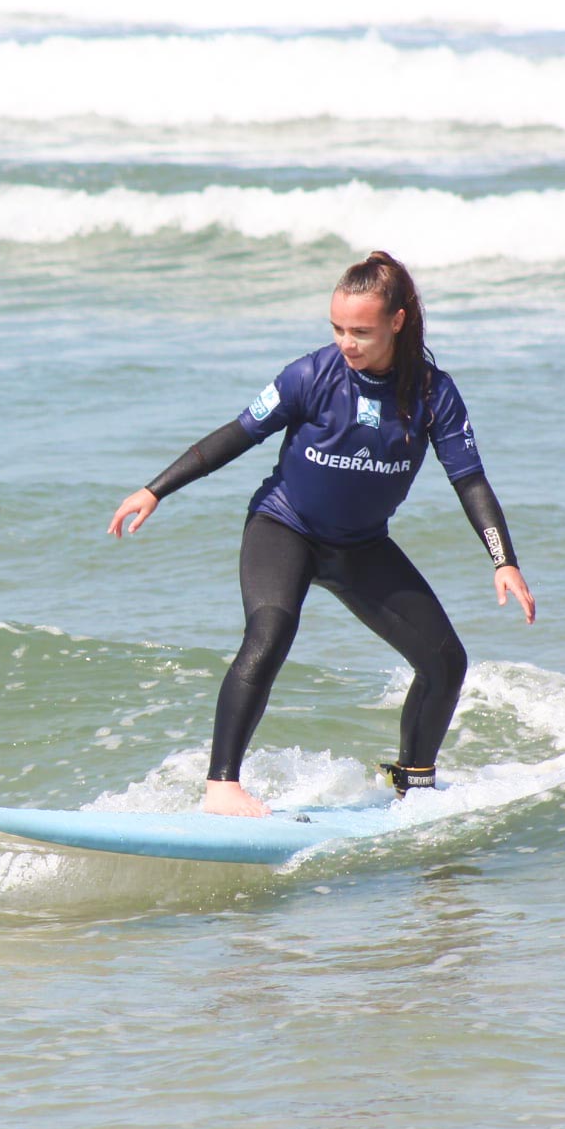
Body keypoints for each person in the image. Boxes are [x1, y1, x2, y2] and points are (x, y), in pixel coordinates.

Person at [107, 251, 535, 817]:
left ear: (398, 323)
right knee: (271, 630)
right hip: (283, 527)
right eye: (337, 328)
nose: (346, 343)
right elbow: (237, 434)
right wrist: (156, 488)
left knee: (445, 661)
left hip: (360, 545)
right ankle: (221, 787)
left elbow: (470, 481)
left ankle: (412, 782)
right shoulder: (310, 374)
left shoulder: (434, 395)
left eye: (361, 331)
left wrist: (502, 560)